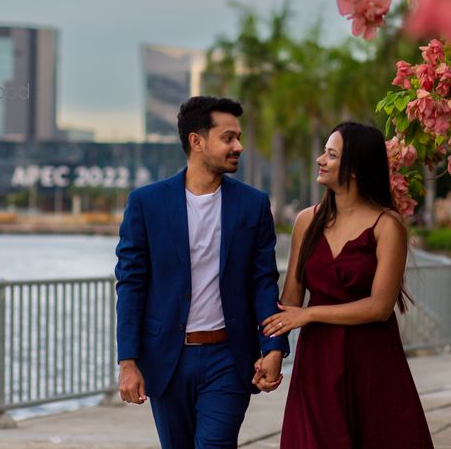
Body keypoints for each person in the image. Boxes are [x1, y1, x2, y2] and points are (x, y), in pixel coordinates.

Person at [114, 96, 290, 448]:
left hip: (229, 357)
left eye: (238, 137)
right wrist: (127, 361)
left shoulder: (253, 205)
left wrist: (274, 348)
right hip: (167, 359)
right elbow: (131, 285)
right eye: (228, 138)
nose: (238, 146)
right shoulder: (147, 204)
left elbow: (263, 283)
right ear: (197, 141)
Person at [263, 121, 434, 448]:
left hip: (372, 357)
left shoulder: (387, 225)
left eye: (331, 154)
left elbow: (380, 307)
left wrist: (310, 315)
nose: (319, 160)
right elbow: (290, 302)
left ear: (354, 168)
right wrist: (270, 353)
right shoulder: (306, 221)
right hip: (317, 360)